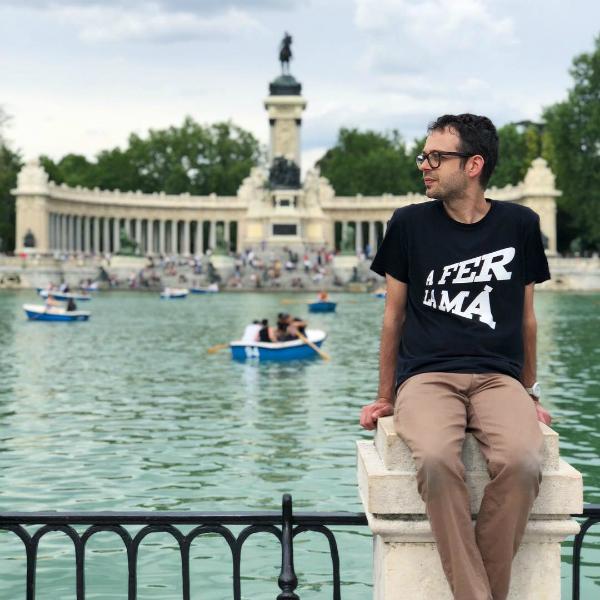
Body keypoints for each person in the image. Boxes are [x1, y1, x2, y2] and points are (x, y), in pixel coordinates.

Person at [359, 113, 552, 600]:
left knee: (525, 461)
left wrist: (527, 391)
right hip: (427, 376)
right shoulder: (407, 224)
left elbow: (527, 319)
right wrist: (386, 396)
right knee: (439, 462)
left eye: (436, 157)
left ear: (473, 165)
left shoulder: (521, 224)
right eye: (425, 155)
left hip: (497, 378)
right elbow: (393, 318)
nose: (424, 165)